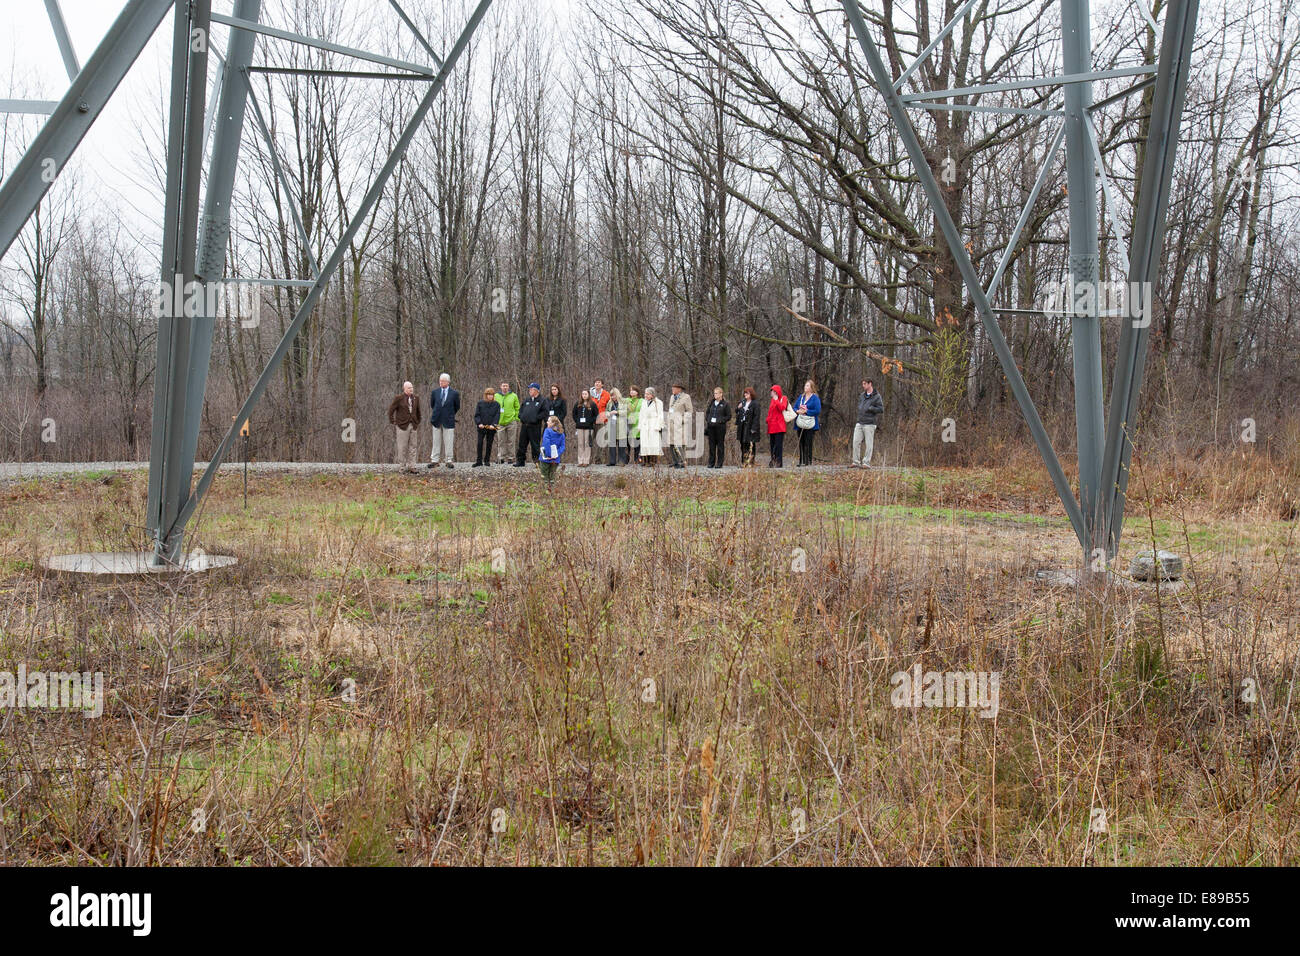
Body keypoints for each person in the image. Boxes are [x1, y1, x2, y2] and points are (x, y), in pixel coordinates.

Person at [387, 380, 422, 473]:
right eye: (409, 388)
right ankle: (402, 466)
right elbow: (391, 410)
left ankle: (412, 466)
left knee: (413, 446)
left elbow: (418, 412)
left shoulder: (416, 398)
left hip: (413, 425)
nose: (411, 389)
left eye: (412, 387)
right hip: (402, 426)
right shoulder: (399, 398)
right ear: (405, 389)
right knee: (402, 447)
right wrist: (393, 421)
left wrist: (417, 422)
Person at [428, 372, 460, 469]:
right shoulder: (435, 392)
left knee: (449, 441)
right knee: (436, 441)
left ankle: (449, 460)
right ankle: (434, 460)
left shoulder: (454, 393)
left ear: (448, 382)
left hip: (449, 420)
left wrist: (449, 414)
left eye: (443, 381)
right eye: (440, 381)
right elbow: (433, 405)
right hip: (436, 420)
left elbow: (457, 406)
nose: (441, 382)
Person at [852, 378, 884, 468]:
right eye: (863, 384)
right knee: (855, 442)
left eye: (865, 384)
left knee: (869, 444)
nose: (863, 385)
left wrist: (871, 408)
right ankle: (856, 462)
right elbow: (860, 406)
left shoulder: (877, 396)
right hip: (860, 422)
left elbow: (881, 409)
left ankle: (866, 463)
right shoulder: (862, 395)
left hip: (870, 423)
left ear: (870, 384)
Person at [514, 382, 546, 466]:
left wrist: (536, 418)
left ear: (537, 391)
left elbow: (544, 412)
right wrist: (521, 416)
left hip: (535, 426)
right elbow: (521, 410)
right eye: (530, 389)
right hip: (524, 425)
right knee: (522, 444)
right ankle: (520, 461)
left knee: (535, 445)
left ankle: (537, 462)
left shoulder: (542, 401)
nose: (529, 391)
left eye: (531, 389)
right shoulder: (527, 400)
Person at [794, 379, 821, 467]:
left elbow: (817, 410)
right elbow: (794, 407)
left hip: (810, 423)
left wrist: (806, 411)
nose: (805, 387)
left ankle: (808, 461)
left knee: (808, 442)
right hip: (800, 422)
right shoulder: (801, 397)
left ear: (811, 387)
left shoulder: (815, 398)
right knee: (801, 441)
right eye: (805, 385)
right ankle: (801, 460)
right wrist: (797, 411)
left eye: (807, 385)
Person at [667, 383, 694, 469]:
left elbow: (689, 411)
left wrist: (683, 420)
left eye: (674, 388)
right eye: (672, 387)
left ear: (679, 389)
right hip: (671, 423)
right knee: (671, 444)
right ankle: (675, 462)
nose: (672, 389)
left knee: (679, 444)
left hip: (680, 424)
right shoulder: (672, 397)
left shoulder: (686, 397)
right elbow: (670, 409)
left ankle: (682, 461)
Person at [473, 386, 501, 466]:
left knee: (489, 444)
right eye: (488, 394)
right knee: (480, 443)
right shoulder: (480, 403)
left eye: (492, 395)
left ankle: (487, 460)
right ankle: (479, 461)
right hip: (482, 427)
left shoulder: (496, 405)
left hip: (491, 428)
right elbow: (477, 415)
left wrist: (493, 425)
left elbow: (497, 416)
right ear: (486, 395)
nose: (490, 396)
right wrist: (479, 423)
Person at [704, 386, 731, 468]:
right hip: (711, 427)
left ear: (721, 394)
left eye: (716, 393)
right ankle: (711, 462)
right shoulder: (712, 403)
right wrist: (708, 420)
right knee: (711, 445)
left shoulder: (725, 404)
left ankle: (719, 463)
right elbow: (707, 413)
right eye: (714, 393)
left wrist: (720, 421)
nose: (714, 395)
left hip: (720, 428)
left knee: (720, 446)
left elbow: (728, 416)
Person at [638, 386, 665, 466]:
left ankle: (652, 462)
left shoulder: (658, 402)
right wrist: (640, 426)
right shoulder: (643, 402)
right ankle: (645, 460)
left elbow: (660, 415)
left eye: (648, 394)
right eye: (645, 394)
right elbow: (641, 414)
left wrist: (659, 425)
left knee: (653, 443)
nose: (646, 395)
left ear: (652, 395)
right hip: (645, 424)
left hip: (654, 424)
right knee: (645, 442)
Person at [495, 381, 520, 464]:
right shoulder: (496, 396)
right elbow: (494, 408)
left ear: (508, 387)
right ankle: (501, 457)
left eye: (506, 386)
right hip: (500, 422)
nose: (505, 387)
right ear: (500, 387)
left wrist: (516, 418)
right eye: (503, 386)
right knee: (501, 440)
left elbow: (517, 407)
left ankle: (511, 457)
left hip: (511, 421)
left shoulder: (513, 396)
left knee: (511, 440)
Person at [735, 386, 760, 467]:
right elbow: (737, 411)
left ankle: (751, 462)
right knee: (742, 444)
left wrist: (754, 428)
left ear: (751, 394)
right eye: (744, 393)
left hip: (750, 427)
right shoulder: (743, 401)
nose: (745, 394)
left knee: (750, 445)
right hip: (742, 426)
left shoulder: (755, 403)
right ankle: (744, 462)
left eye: (747, 393)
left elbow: (757, 416)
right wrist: (738, 408)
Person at [572, 388, 598, 466]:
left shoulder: (592, 404)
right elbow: (574, 414)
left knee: (587, 443)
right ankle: (580, 461)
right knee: (580, 443)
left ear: (588, 395)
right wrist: (577, 421)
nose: (584, 395)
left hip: (589, 427)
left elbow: (596, 415)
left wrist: (590, 421)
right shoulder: (577, 403)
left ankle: (586, 461)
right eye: (583, 394)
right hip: (579, 426)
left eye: (585, 394)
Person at [605, 387, 630, 465]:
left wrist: (617, 412)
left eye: (614, 395)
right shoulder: (609, 403)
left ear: (617, 395)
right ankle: (612, 461)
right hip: (612, 424)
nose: (613, 397)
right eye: (611, 396)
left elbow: (627, 412)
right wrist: (609, 413)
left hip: (621, 425)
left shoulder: (624, 401)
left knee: (621, 444)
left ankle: (621, 461)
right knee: (612, 444)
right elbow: (606, 412)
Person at [766, 384, 790, 468]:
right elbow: (770, 412)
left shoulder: (784, 398)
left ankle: (779, 463)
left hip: (779, 426)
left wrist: (776, 400)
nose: (771, 393)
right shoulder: (772, 400)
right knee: (772, 445)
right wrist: (768, 420)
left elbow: (782, 408)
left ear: (776, 392)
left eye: (772, 391)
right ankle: (773, 461)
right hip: (772, 426)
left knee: (778, 445)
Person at [539, 414, 566, 485]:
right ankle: (552, 494)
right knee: (552, 479)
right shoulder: (562, 434)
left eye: (548, 421)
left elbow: (546, 443)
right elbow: (562, 446)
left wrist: (549, 455)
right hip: (555, 459)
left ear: (553, 423)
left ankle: (545, 494)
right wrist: (556, 454)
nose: (547, 422)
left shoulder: (547, 431)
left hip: (546, 458)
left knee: (544, 478)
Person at [626, 386, 643, 463]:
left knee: (637, 443)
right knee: (627, 442)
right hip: (628, 422)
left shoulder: (641, 400)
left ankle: (637, 460)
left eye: (634, 390)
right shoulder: (626, 400)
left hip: (637, 423)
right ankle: (626, 459)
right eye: (631, 390)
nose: (632, 392)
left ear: (637, 392)